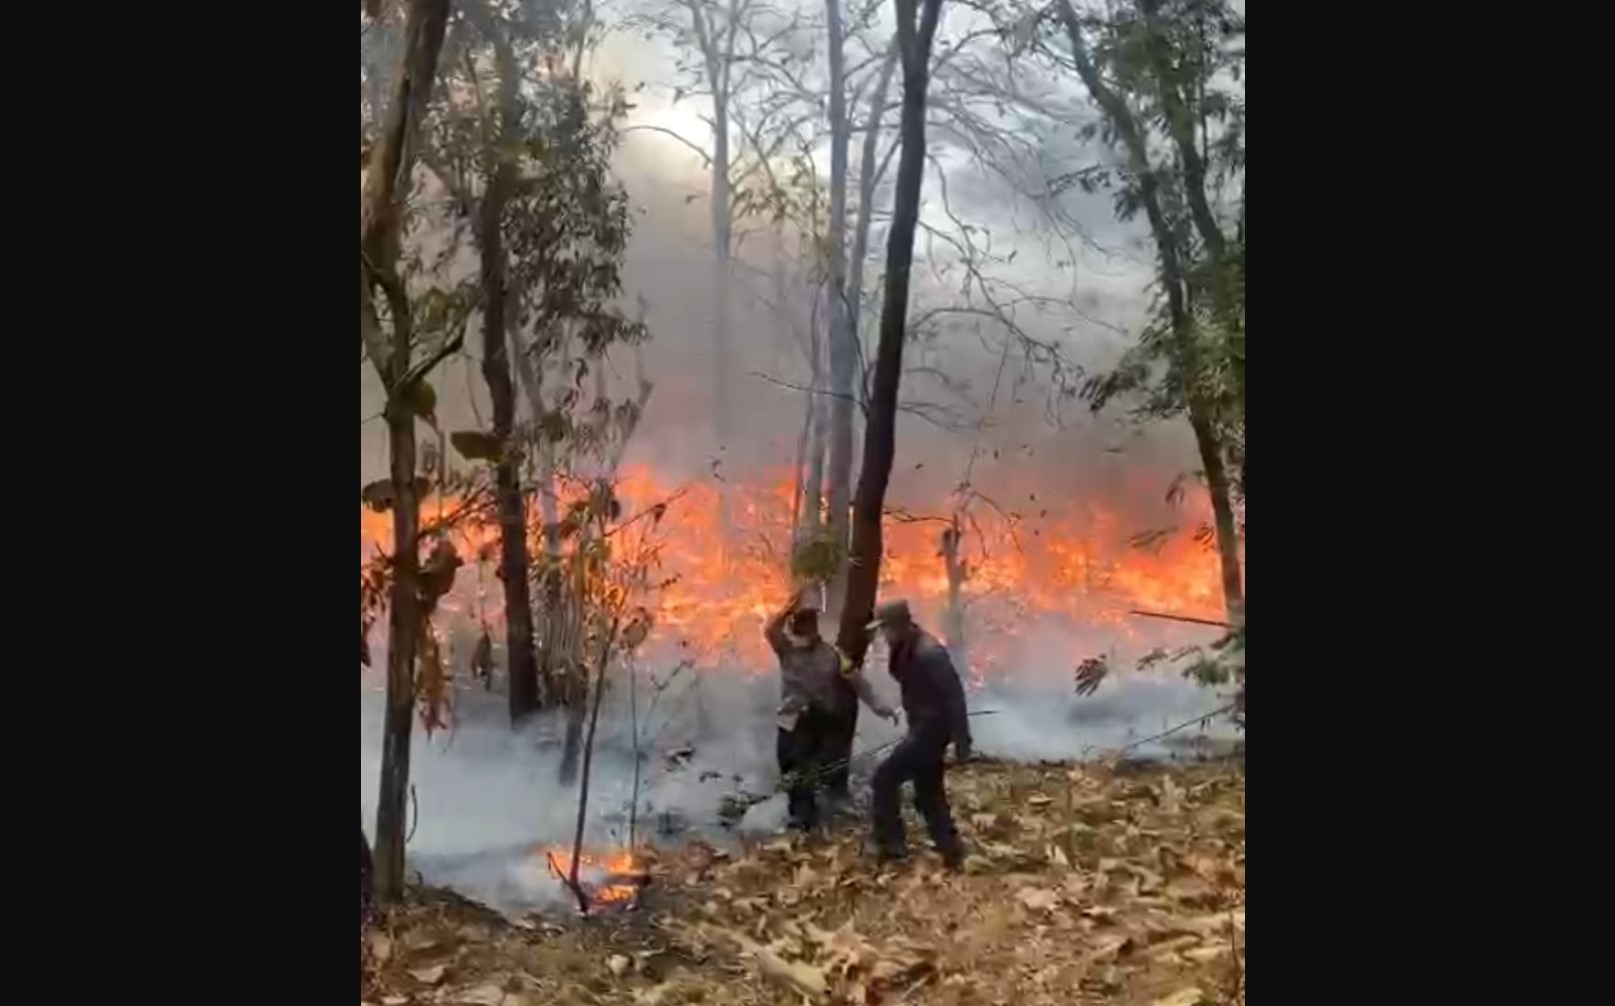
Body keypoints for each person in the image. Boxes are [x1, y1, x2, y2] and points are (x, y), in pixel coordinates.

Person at [766, 590, 896, 831]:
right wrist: (789, 606)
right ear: (795, 628)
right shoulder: (787, 650)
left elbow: (857, 681)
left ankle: (820, 817)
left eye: (811, 624)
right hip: (792, 722)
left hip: (819, 723)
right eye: (803, 624)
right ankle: (801, 819)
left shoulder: (833, 654)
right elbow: (771, 630)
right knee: (792, 771)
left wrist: (880, 706)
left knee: (818, 771)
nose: (808, 629)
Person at [864, 599, 972, 869]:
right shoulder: (905, 646)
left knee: (884, 779)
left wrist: (962, 741)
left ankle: (892, 846)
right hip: (922, 727)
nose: (883, 635)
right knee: (928, 793)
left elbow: (954, 697)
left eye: (885, 628)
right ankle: (951, 850)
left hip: (930, 731)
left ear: (899, 625)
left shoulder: (929, 652)